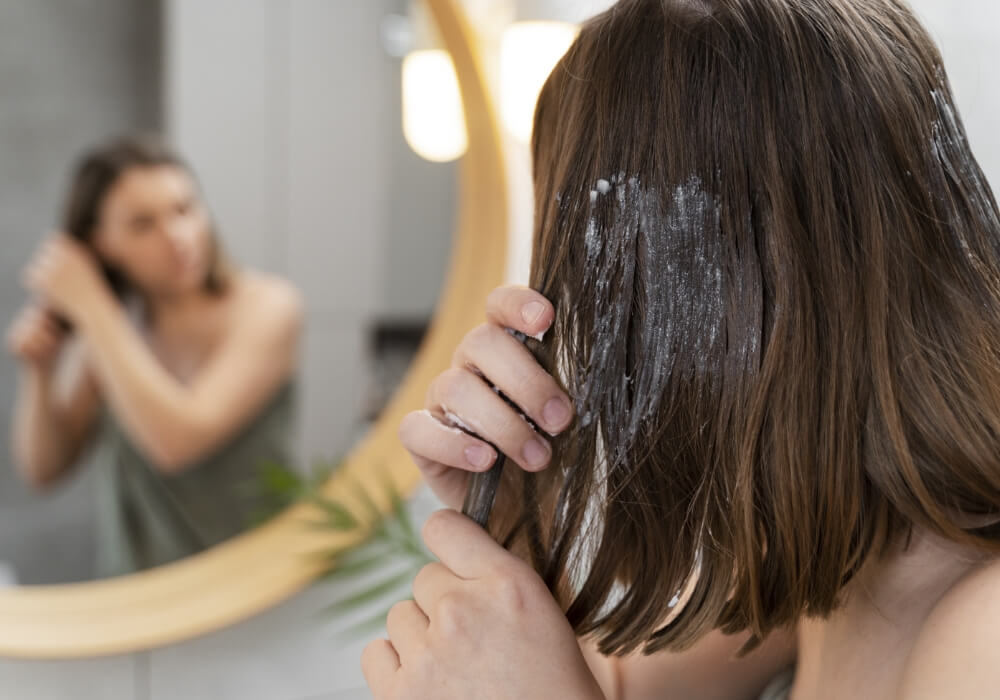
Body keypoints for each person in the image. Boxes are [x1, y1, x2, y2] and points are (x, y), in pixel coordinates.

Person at [363, 0, 1000, 698]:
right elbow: (606, 686)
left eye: (600, 279)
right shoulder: (839, 561)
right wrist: (519, 516)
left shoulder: (984, 635)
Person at [5, 135, 303, 578]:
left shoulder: (269, 306)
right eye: (143, 224)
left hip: (257, 582)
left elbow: (177, 443)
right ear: (102, 243)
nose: (179, 237)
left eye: (184, 209)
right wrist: (42, 371)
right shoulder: (110, 333)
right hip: (146, 594)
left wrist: (89, 304)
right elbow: (44, 470)